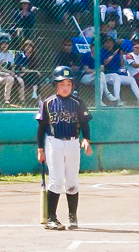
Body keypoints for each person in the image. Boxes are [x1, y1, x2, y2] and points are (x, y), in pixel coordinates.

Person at [35, 66, 92, 230]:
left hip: (73, 142)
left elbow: (85, 124)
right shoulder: (48, 103)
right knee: (56, 180)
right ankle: (52, 217)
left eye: (68, 84)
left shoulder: (78, 103)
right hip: (54, 143)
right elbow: (41, 128)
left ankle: (72, 216)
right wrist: (40, 149)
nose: (65, 87)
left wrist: (86, 139)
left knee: (72, 181)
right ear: (55, 85)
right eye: (61, 84)